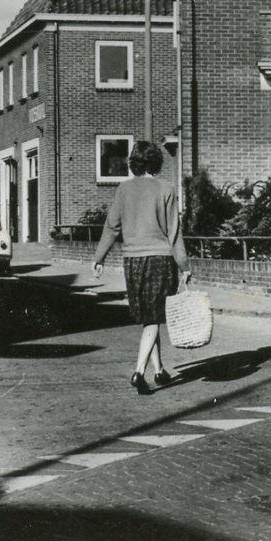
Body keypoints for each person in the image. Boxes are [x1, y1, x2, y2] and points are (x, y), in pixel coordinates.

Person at [92, 140, 190, 395]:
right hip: (159, 259)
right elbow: (174, 232)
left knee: (149, 317)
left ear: (133, 163)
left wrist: (99, 257)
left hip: (132, 261)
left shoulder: (123, 190)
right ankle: (138, 371)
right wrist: (184, 265)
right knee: (154, 317)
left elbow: (111, 226)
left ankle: (159, 371)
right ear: (156, 162)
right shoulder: (166, 189)